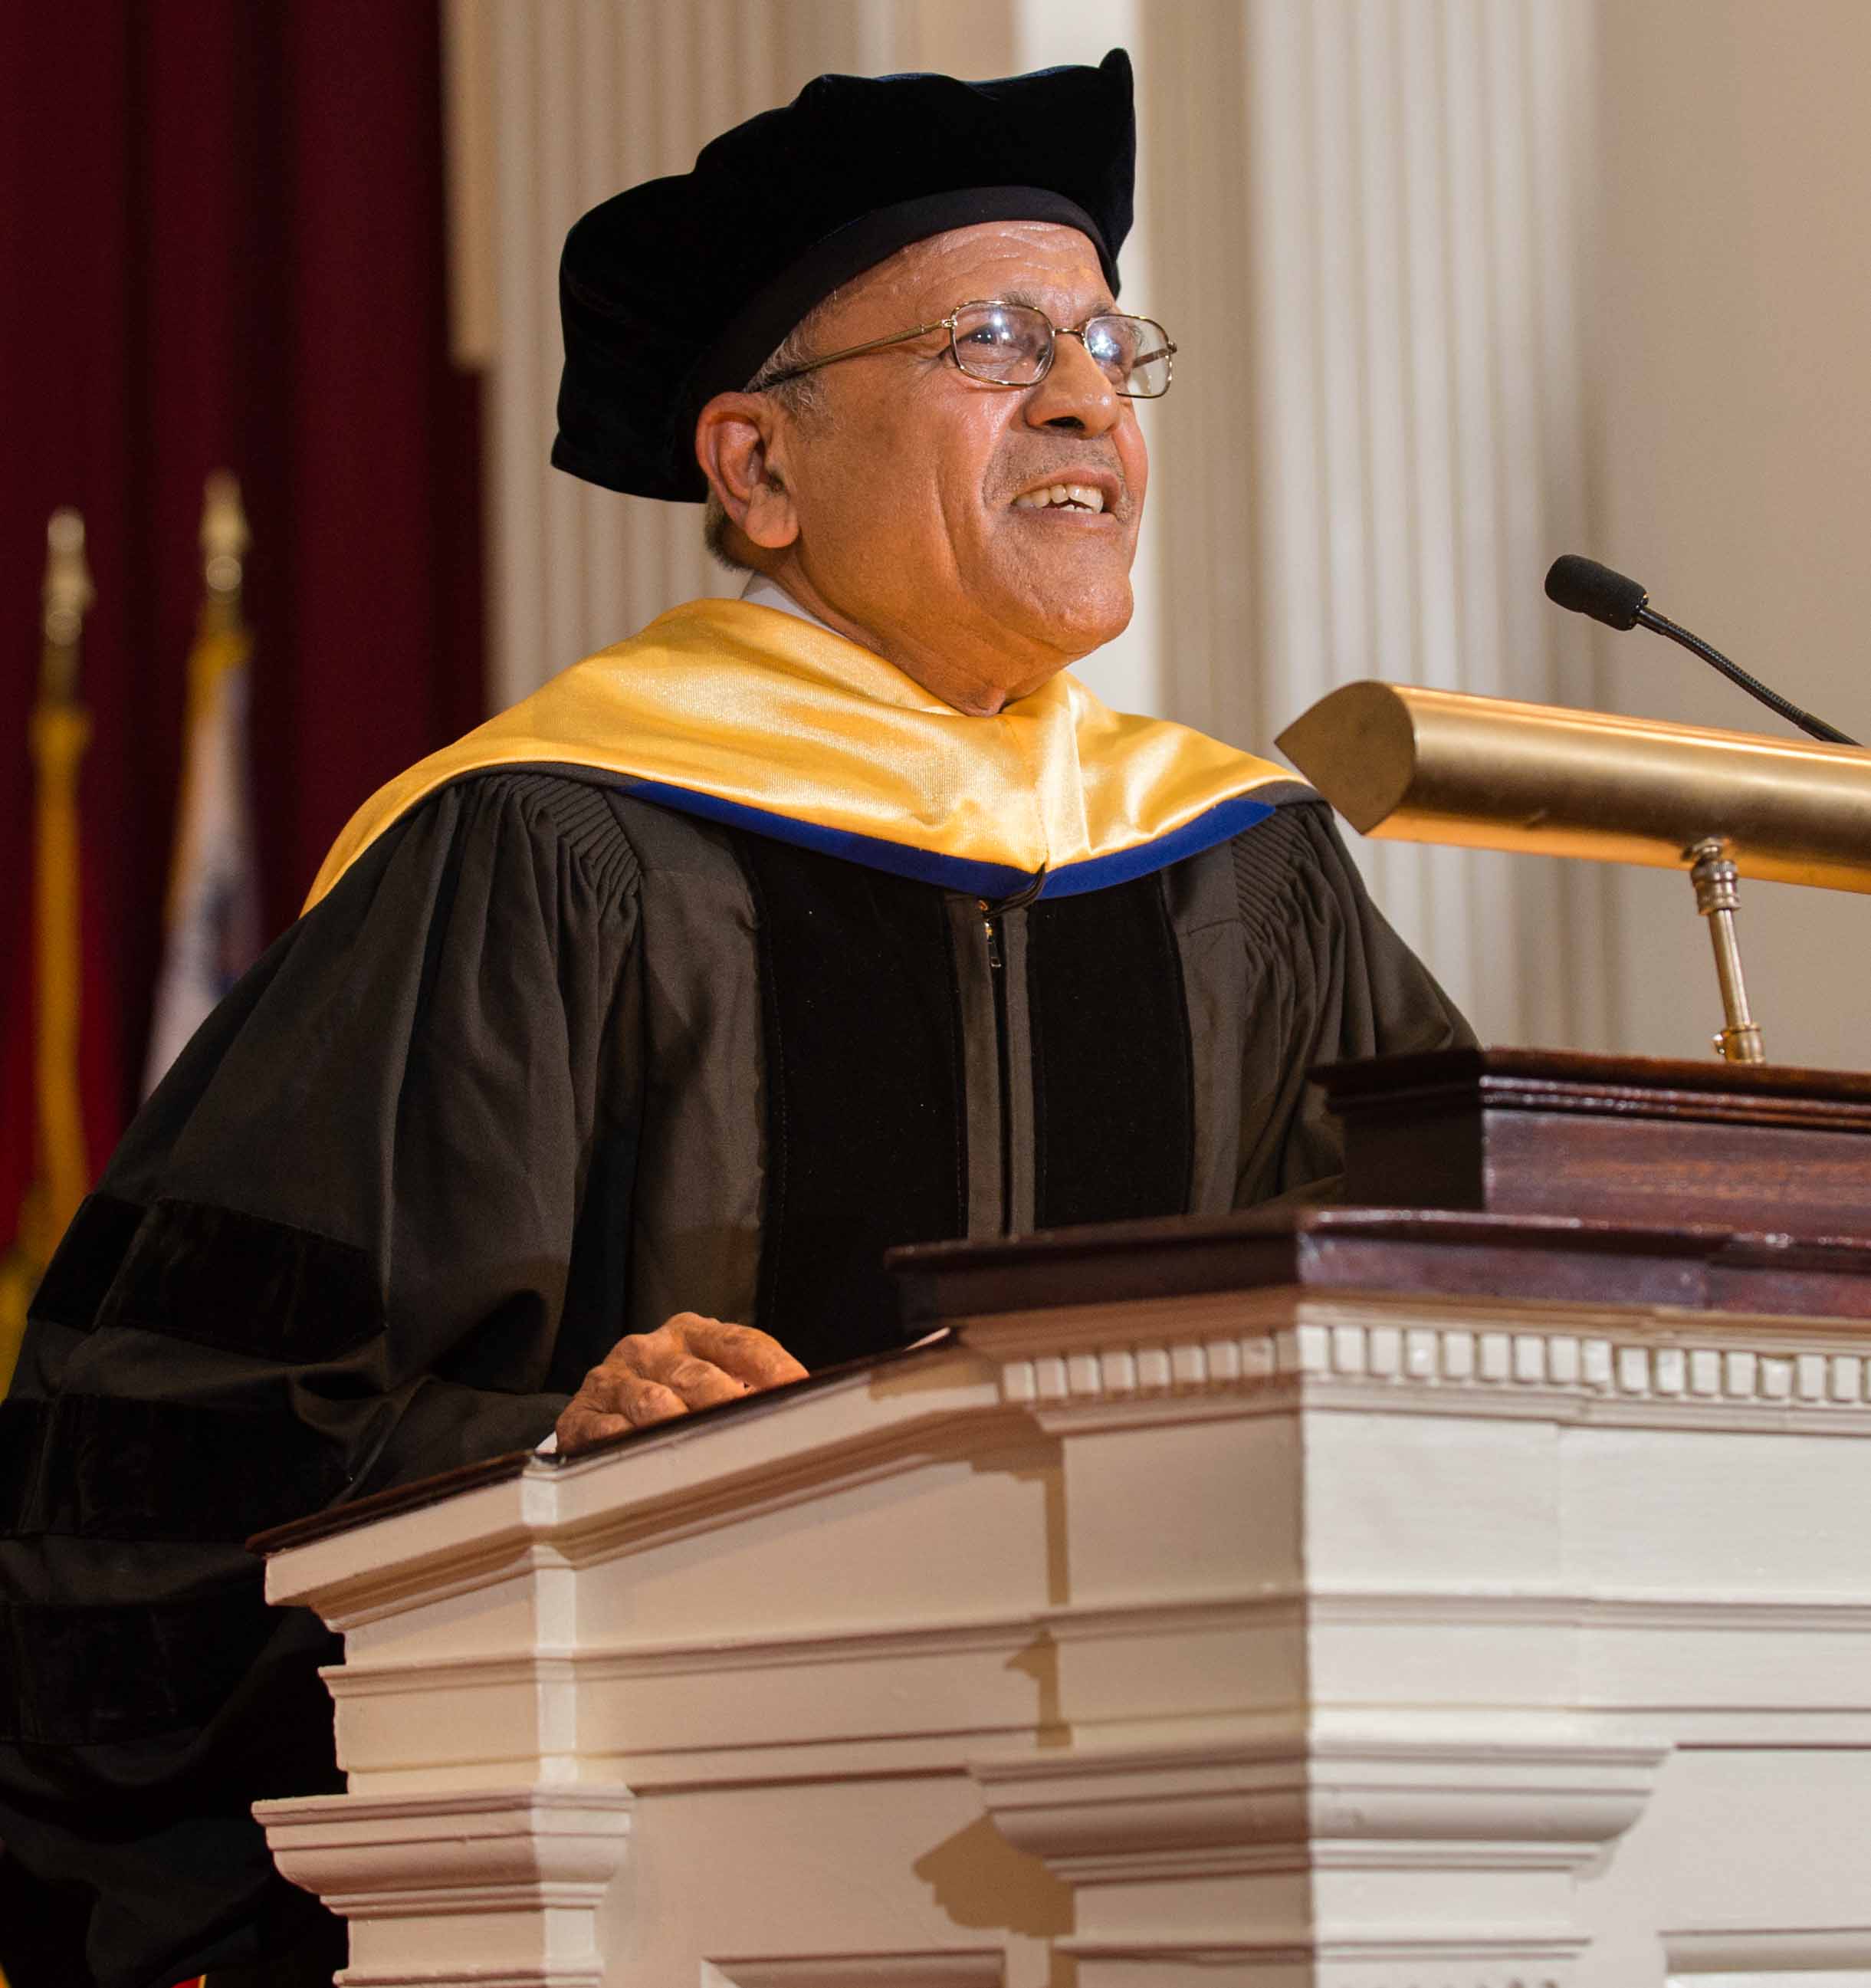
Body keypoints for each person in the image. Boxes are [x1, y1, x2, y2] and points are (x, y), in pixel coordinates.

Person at [0, 50, 1469, 1988]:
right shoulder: (540, 849)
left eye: (1113, 342)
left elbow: (1440, 1307)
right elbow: (155, 1452)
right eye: (995, 340)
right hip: (661, 1890)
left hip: (1180, 1859)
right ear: (757, 469)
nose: (1086, 400)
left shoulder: (1241, 871)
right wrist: (549, 1446)